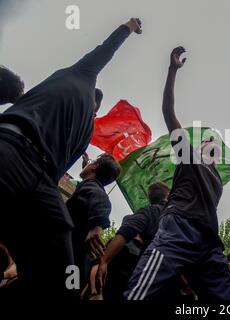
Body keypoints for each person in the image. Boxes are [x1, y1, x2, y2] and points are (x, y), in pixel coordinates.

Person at [0, 18, 141, 299]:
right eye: (94, 101)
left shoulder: (83, 132)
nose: (93, 107)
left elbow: (69, 177)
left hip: (41, 180)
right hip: (12, 145)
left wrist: (95, 223)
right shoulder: (82, 74)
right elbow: (105, 49)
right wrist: (127, 27)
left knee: (61, 272)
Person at [125, 47, 230, 301]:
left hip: (209, 242)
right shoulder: (188, 158)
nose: (210, 143)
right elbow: (168, 111)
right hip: (178, 229)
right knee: (139, 294)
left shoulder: (217, 179)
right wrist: (172, 70)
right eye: (205, 142)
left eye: (214, 146)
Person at [95, 182, 170, 300]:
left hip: (147, 279)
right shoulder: (183, 217)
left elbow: (126, 231)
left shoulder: (151, 211)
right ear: (169, 196)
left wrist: (104, 260)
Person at [67, 153, 121, 293]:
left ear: (95, 167)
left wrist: (97, 225)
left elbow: (101, 200)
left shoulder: (94, 188)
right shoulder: (90, 185)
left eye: (92, 162)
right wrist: (88, 167)